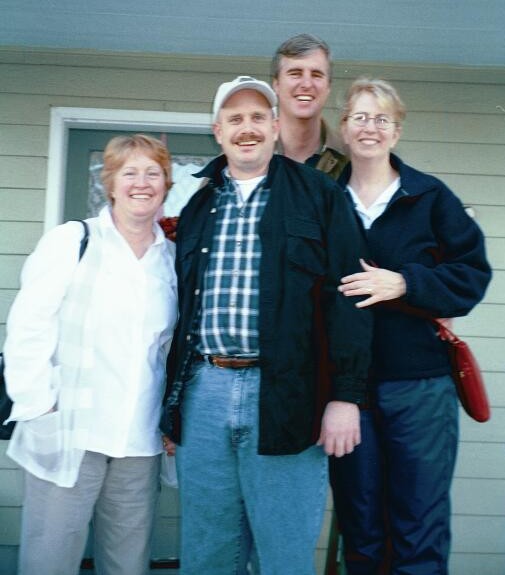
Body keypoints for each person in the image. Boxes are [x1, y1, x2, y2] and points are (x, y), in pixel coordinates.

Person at [160, 75, 372, 575]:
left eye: (258, 117)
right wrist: (172, 407)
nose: (247, 128)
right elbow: (179, 313)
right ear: (218, 131)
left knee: (284, 553)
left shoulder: (321, 196)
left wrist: (346, 397)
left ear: (276, 127)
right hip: (204, 392)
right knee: (209, 553)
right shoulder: (197, 207)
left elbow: (350, 297)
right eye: (235, 119)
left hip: (288, 393)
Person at [329, 78, 492, 575]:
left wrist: (405, 283)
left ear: (397, 131)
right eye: (360, 117)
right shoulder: (326, 200)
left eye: (382, 119)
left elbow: (472, 275)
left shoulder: (429, 196)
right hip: (349, 393)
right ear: (344, 128)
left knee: (419, 527)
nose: (370, 128)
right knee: (361, 528)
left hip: (420, 388)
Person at [4, 134, 178, 575]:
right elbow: (28, 327)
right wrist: (39, 406)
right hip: (71, 433)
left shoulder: (171, 260)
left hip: (138, 441)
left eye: (153, 173)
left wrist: (170, 420)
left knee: (127, 563)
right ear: (111, 183)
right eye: (129, 172)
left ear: (166, 184)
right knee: (49, 560)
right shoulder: (73, 241)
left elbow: (167, 349)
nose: (142, 183)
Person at [272, 33, 347, 177]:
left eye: (316, 75)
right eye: (295, 73)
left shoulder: (350, 157)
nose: (306, 84)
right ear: (276, 85)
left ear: (328, 87)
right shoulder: (254, 152)